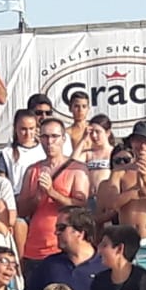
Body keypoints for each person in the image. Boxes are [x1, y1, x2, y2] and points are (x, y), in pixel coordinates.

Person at [99, 121, 146, 284]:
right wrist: (134, 192)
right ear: (132, 143)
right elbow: (111, 204)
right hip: (125, 244)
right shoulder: (119, 173)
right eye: (139, 140)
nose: (143, 146)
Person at [18, 117, 90, 274]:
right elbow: (21, 211)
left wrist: (52, 193)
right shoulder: (32, 170)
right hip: (35, 249)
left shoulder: (77, 169)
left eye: (54, 136)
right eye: (44, 137)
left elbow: (80, 208)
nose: (49, 141)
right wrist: (37, 196)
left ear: (63, 139)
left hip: (64, 247)